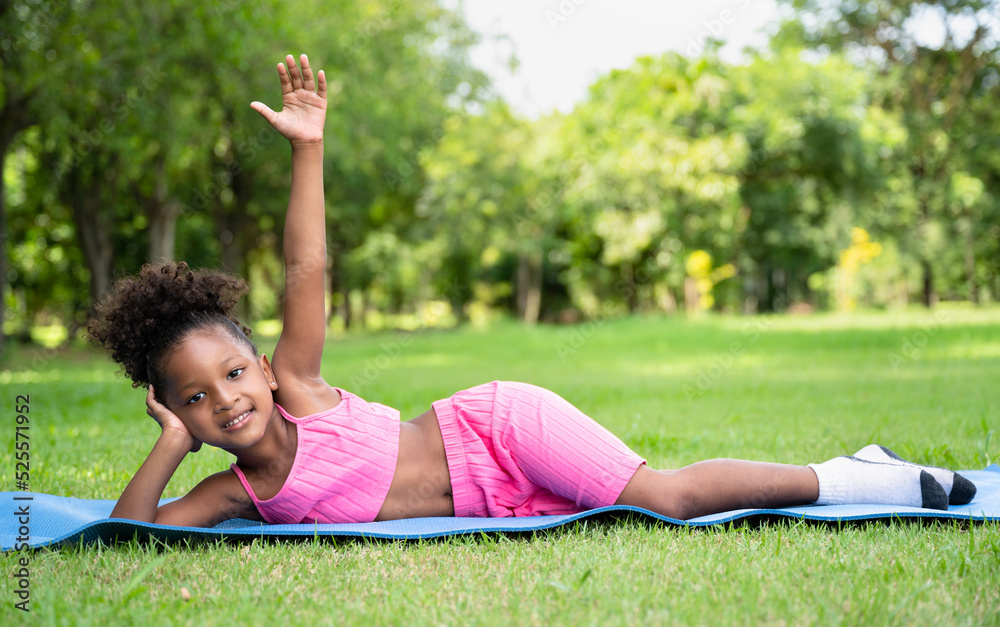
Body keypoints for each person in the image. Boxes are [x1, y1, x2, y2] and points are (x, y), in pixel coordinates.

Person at [88, 54, 976, 528]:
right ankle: (855, 469)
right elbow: (134, 535)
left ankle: (858, 477)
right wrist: (169, 444)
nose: (225, 401)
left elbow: (307, 269)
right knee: (636, 505)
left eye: (232, 373)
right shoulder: (237, 493)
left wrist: (309, 152)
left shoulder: (300, 385)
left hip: (498, 428)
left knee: (663, 497)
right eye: (195, 399)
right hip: (496, 499)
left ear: (260, 364)